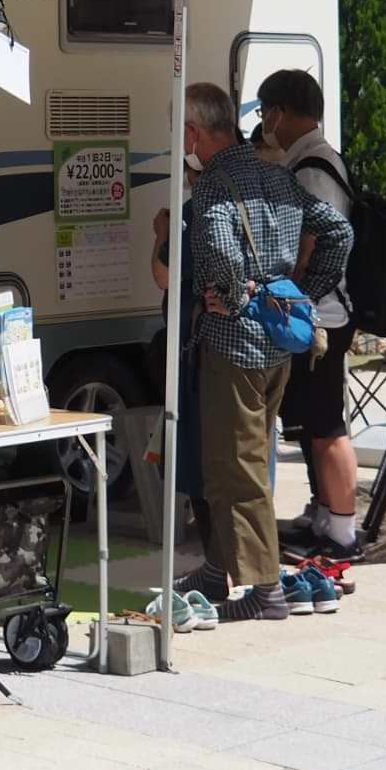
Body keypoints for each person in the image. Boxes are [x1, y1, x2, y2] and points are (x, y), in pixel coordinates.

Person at [184, 84, 353, 622]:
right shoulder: (278, 176)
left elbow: (220, 250)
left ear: (193, 133)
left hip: (233, 346)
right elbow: (340, 232)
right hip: (279, 344)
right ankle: (218, 569)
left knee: (239, 469)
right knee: (236, 461)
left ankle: (265, 589)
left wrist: (235, 298)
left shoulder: (213, 186)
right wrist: (304, 292)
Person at [257, 69, 364, 563]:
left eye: (265, 113)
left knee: (327, 428)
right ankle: (323, 516)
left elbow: (315, 245)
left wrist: (296, 292)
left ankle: (342, 534)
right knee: (314, 426)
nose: (264, 123)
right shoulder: (309, 160)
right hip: (318, 315)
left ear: (279, 112)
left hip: (322, 318)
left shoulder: (313, 169)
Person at [148, 85, 233, 586]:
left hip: (202, 347)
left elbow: (165, 275)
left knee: (202, 463)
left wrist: (163, 236)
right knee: (239, 463)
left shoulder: (201, 203)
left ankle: (218, 570)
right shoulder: (262, 180)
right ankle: (241, 570)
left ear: (193, 134)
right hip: (253, 347)